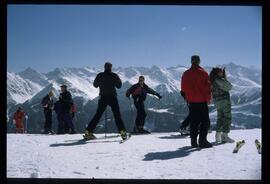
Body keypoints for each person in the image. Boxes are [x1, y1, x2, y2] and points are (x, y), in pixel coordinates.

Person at [83, 62, 128, 140]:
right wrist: (118, 79)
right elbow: (119, 86)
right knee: (117, 115)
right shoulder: (114, 75)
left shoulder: (100, 75)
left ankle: (88, 131)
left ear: (104, 67)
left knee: (98, 115)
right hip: (112, 97)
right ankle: (123, 133)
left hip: (103, 97)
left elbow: (95, 85)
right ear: (111, 67)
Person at [181, 55, 212, 148]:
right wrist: (208, 99)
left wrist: (187, 98)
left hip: (191, 102)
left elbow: (183, 88)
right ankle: (203, 141)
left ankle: (193, 142)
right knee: (205, 121)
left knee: (194, 122)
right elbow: (207, 88)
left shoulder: (185, 74)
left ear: (191, 62)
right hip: (202, 101)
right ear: (199, 61)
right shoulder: (203, 73)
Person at [210, 67, 234, 143]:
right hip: (224, 100)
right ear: (217, 72)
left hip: (217, 101)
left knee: (220, 118)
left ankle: (217, 136)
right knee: (227, 117)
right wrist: (225, 79)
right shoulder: (219, 79)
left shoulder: (212, 80)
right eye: (220, 72)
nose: (222, 73)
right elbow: (229, 87)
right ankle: (225, 135)